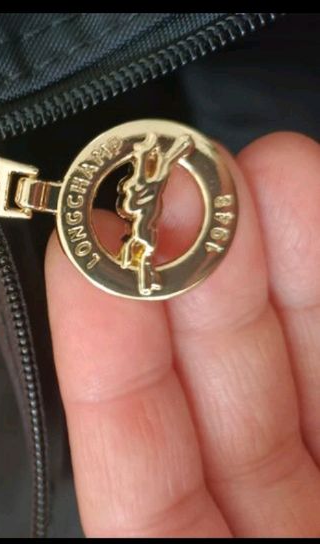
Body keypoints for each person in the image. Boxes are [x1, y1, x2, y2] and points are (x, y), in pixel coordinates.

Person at [45, 131, 320, 536]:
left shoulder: (146, 192)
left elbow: (152, 178)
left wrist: (166, 153)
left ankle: (144, 262)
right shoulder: (142, 193)